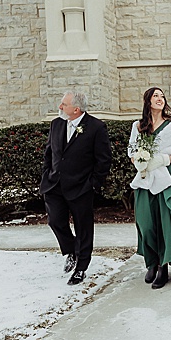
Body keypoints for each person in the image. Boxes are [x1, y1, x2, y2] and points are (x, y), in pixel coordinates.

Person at [128, 86, 171, 289]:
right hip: (145, 179)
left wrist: (162, 159)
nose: (160, 99)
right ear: (147, 101)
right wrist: (141, 162)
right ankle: (151, 261)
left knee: (165, 223)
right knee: (146, 223)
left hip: (167, 179)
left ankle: (163, 267)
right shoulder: (138, 126)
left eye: (162, 96)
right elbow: (132, 153)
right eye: (155, 96)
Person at [41, 90, 112, 286]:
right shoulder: (56, 124)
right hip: (54, 185)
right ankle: (71, 250)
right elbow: (49, 153)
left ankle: (81, 267)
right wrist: (47, 174)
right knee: (55, 221)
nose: (60, 107)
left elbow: (104, 160)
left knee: (84, 228)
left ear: (76, 109)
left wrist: (93, 184)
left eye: (64, 104)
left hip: (81, 187)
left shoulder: (96, 127)